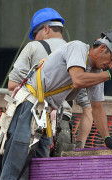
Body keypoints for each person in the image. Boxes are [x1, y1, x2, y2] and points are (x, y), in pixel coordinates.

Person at [0, 28, 112, 180]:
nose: (110, 66)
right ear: (102, 48)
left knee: (42, 169)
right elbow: (77, 79)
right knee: (16, 166)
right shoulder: (78, 49)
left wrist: (107, 137)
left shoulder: (96, 73)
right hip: (27, 108)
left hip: (43, 115)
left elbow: (97, 107)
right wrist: (110, 74)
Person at [8, 8, 93, 153]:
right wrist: (79, 146)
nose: (34, 39)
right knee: (55, 174)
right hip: (63, 127)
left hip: (33, 121)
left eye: (35, 34)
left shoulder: (33, 47)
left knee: (28, 171)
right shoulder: (78, 55)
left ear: (46, 29)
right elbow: (88, 109)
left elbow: (13, 84)